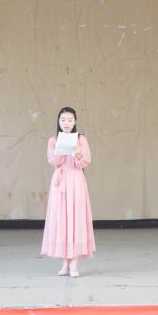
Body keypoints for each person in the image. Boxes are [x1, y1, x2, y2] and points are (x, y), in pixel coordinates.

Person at [41, 107, 95, 276]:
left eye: (70, 120)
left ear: (75, 121)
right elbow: (53, 160)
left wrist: (77, 153)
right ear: (58, 121)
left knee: (76, 219)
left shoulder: (81, 139)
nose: (66, 123)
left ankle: (74, 264)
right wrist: (62, 150)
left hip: (76, 181)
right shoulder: (53, 140)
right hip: (60, 182)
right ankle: (64, 263)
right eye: (63, 120)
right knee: (61, 220)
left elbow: (85, 162)